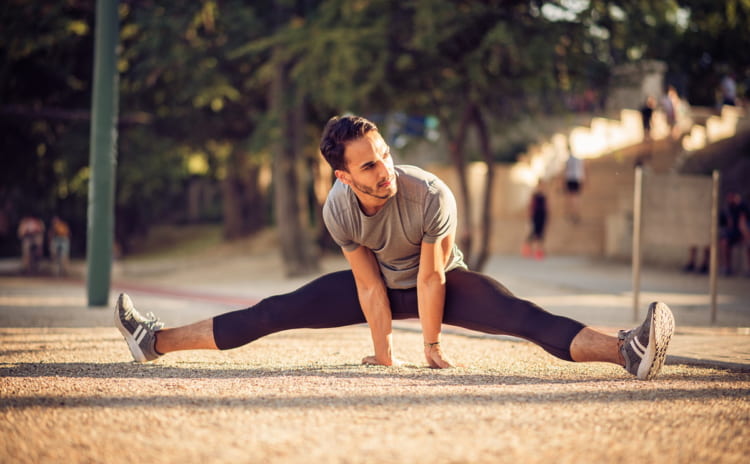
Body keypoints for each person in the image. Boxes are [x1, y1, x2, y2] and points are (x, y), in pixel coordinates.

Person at [115, 115, 675, 380]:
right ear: (341, 176)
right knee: (274, 311)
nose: (383, 171)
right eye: (367, 165)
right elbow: (366, 284)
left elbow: (432, 280)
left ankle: (628, 349)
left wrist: (429, 344)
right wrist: (385, 353)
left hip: (442, 283)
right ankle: (154, 341)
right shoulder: (338, 210)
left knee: (523, 316)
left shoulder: (430, 194)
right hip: (383, 283)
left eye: (383, 155)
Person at [719, 192, 750, 276]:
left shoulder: (742, 206)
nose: (730, 199)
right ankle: (727, 267)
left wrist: (746, 236)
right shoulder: (727, 208)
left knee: (748, 243)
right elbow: (724, 223)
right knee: (724, 242)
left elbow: (743, 224)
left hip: (743, 233)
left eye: (732, 197)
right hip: (733, 233)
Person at [521, 180, 547, 260]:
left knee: (540, 234)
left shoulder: (544, 195)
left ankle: (538, 252)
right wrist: (529, 215)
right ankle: (527, 250)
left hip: (542, 216)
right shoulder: (534, 195)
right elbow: (530, 206)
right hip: (535, 216)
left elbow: (547, 207)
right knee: (533, 233)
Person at [563, 146, 585, 223]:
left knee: (571, 197)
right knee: (576, 197)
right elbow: (581, 169)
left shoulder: (568, 160)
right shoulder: (578, 160)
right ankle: (576, 213)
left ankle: (572, 213)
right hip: (576, 179)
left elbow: (566, 170)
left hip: (570, 179)